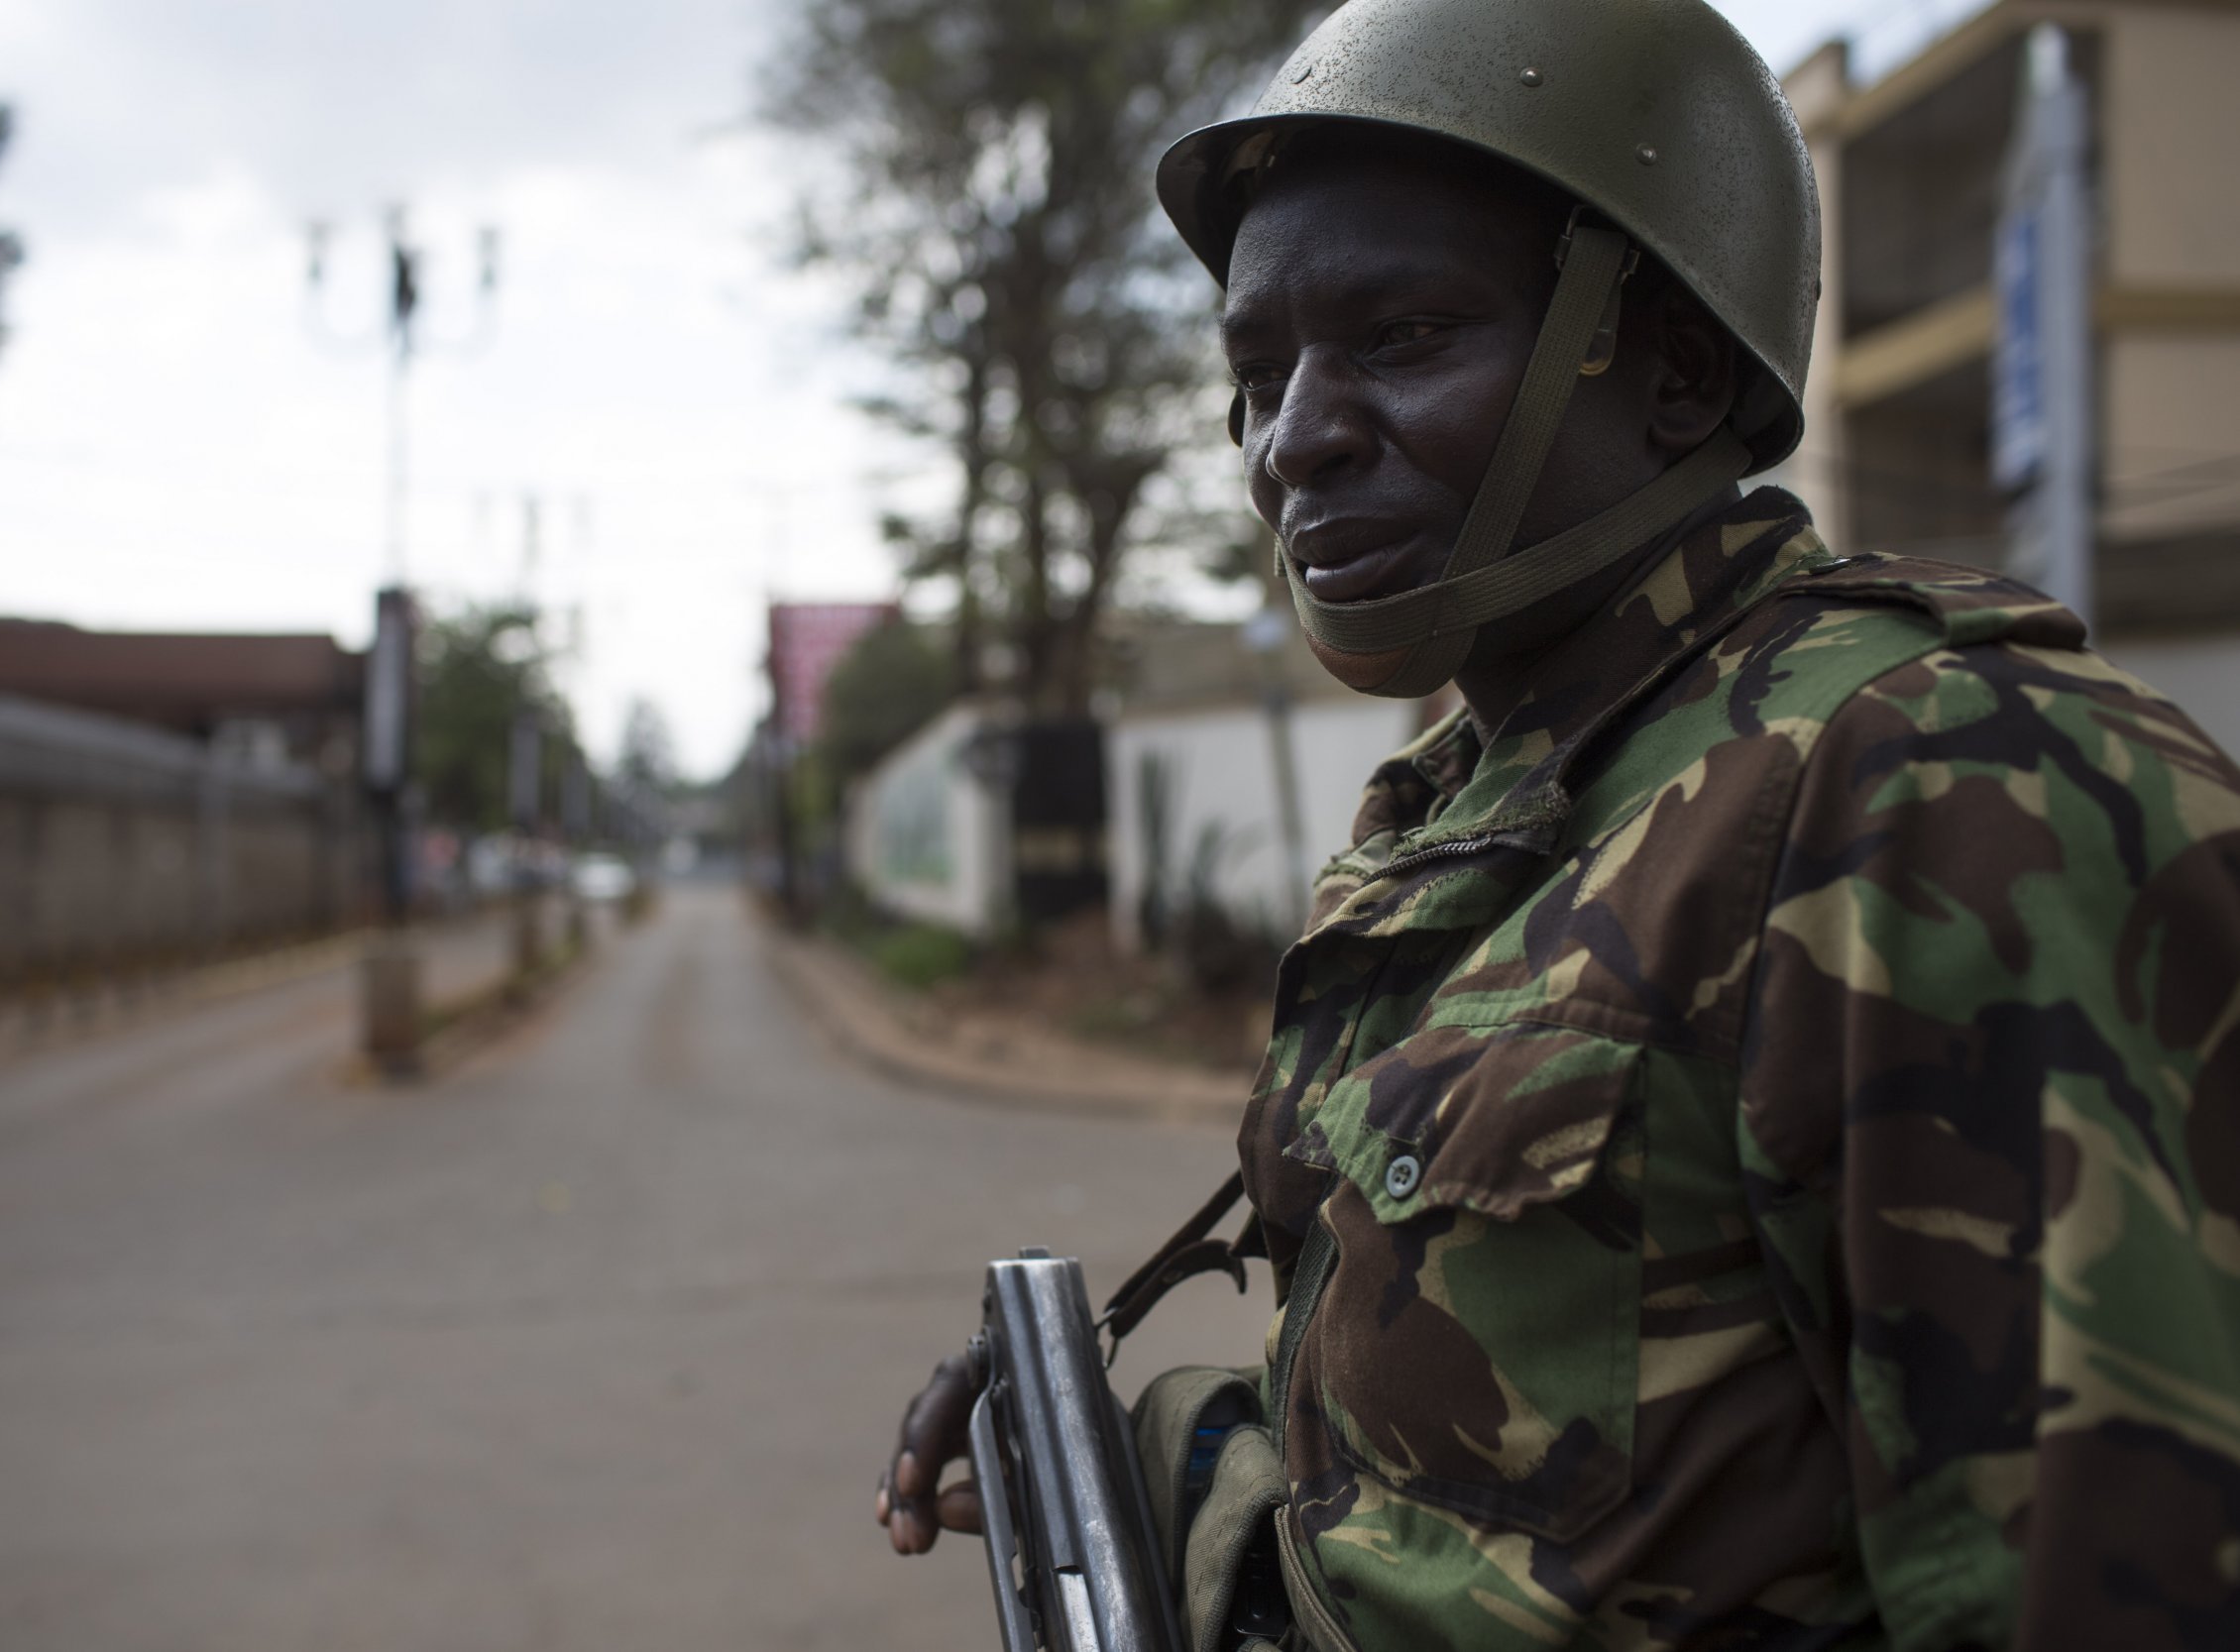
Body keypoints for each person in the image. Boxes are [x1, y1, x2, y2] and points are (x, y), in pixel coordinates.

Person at [876, 0, 2240, 1647]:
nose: (1295, 436)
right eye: (1260, 370)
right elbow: (1509, 1476)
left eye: (1400, 338)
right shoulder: (1491, 795)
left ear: (1669, 369)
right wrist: (1118, 1448)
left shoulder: (1936, 780)